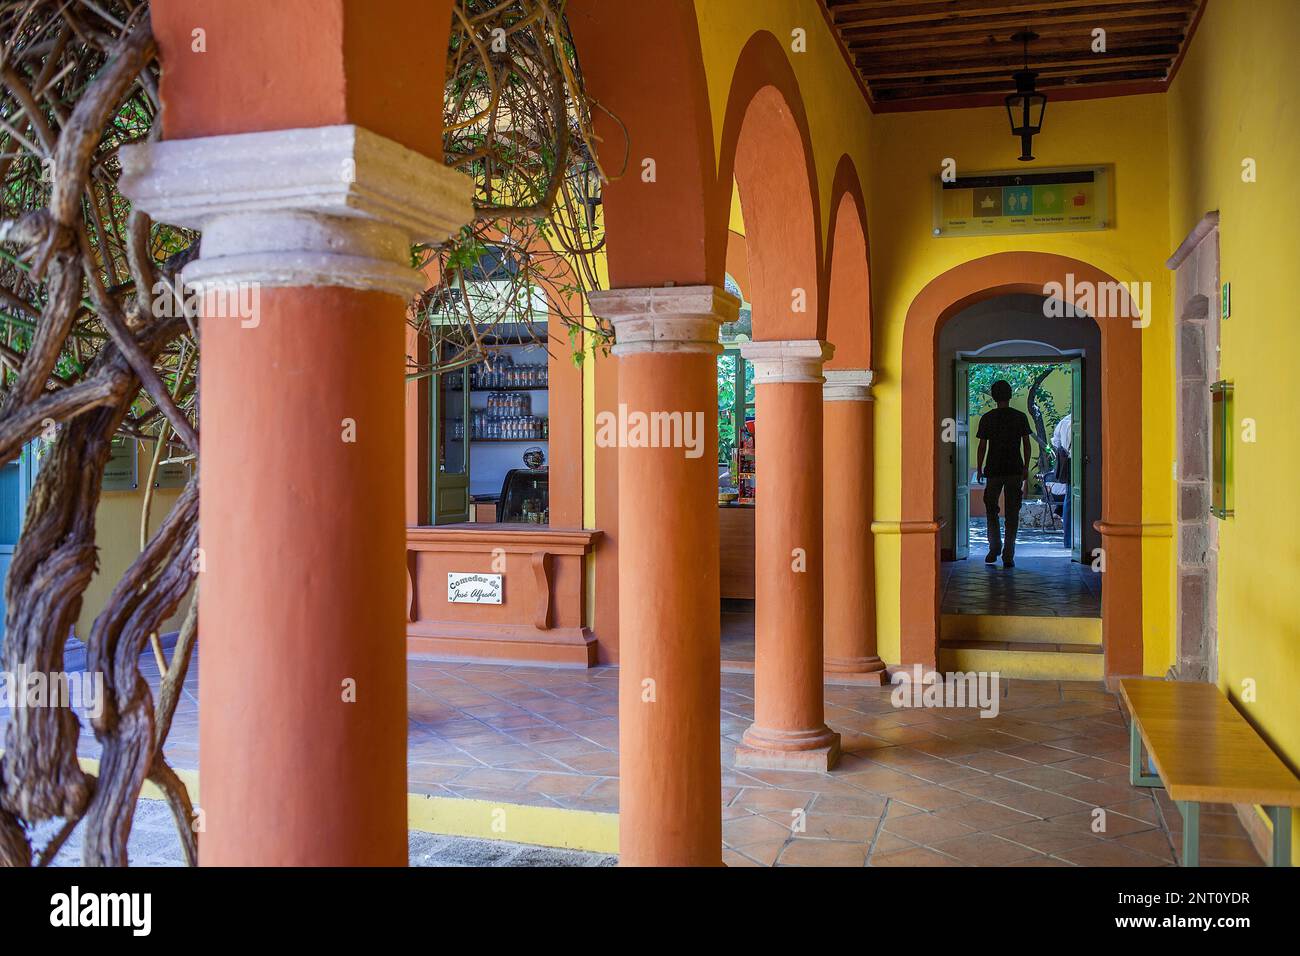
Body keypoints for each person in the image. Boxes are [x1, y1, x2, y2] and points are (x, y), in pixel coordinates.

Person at [976, 380, 1032, 568]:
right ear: (1010, 395)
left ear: (993, 396)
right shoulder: (1020, 417)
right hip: (1014, 469)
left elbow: (982, 446)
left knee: (991, 510)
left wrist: (979, 467)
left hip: (993, 470)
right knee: (1012, 513)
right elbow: (1026, 443)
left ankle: (994, 547)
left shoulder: (987, 418)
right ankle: (1008, 554)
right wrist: (1025, 467)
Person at [1051, 412, 1073, 550]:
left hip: (1068, 463)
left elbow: (1056, 442)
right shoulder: (1088, 419)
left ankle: (1068, 540)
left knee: (1069, 500)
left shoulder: (1064, 421)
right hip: (1081, 461)